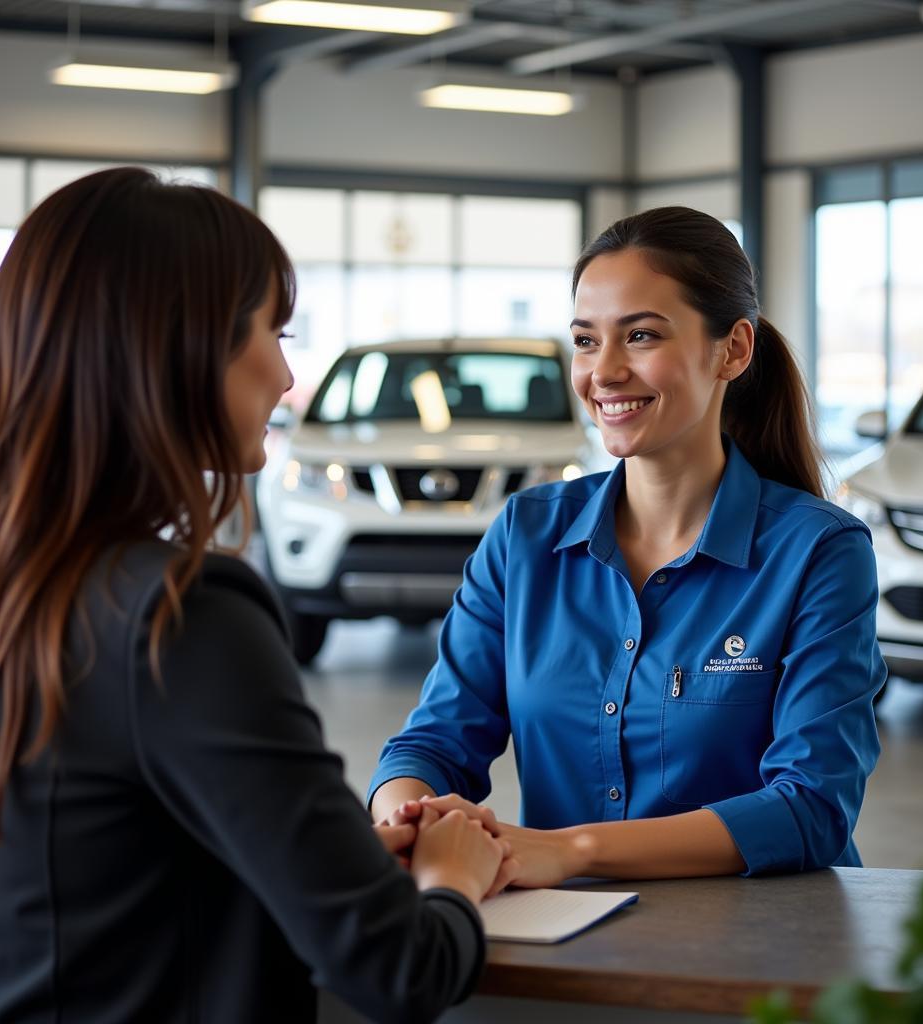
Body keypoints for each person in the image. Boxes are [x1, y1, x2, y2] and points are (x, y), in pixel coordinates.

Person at [0, 167, 515, 1024]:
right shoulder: (183, 615)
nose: (285, 376)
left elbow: (92, 857)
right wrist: (454, 880)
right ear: (179, 347)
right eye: (271, 331)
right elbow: (399, 968)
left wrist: (332, 858)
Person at [370, 206, 885, 886]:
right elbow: (434, 742)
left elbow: (813, 806)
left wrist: (571, 851)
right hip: (563, 933)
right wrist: (406, 822)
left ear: (732, 348)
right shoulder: (526, 536)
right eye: (586, 341)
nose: (604, 372)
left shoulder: (819, 553)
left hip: (761, 949)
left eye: (640, 336)